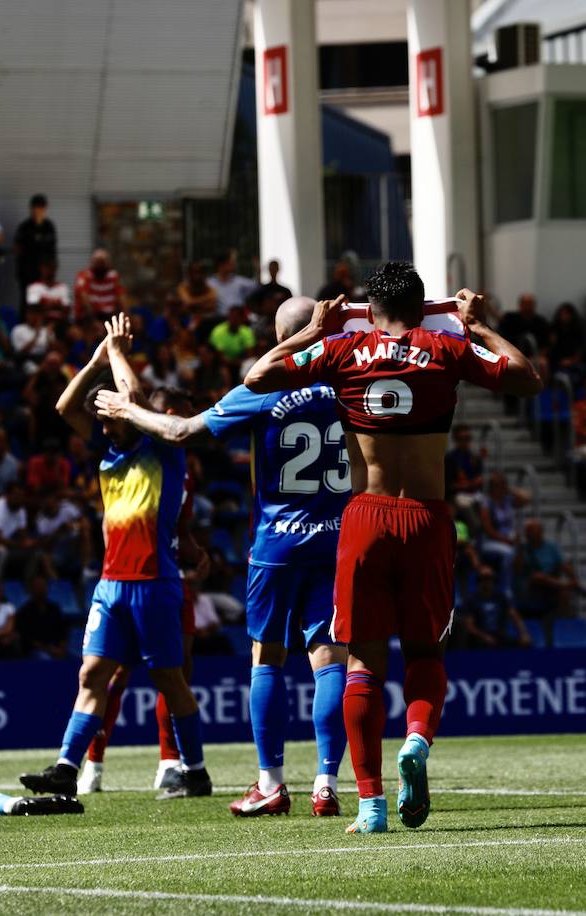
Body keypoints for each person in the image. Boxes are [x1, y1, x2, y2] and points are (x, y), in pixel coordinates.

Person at [243, 262, 541, 834]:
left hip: (364, 520)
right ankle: (417, 742)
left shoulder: (343, 350)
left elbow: (259, 377)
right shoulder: (445, 348)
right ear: (424, 303)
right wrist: (476, 327)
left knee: (361, 665)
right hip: (427, 518)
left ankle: (372, 806)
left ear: (368, 308)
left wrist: (313, 332)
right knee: (427, 655)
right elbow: (527, 376)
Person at [95, 298, 354, 818]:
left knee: (268, 660)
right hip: (336, 541)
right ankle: (327, 783)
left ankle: (271, 784)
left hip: (277, 546)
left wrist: (127, 410)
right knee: (329, 663)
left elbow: (180, 432)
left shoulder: (261, 392)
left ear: (276, 338)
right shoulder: (351, 388)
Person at [20, 316, 215, 801]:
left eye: (112, 419)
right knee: (92, 675)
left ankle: (195, 769)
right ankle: (68, 767)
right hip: (111, 585)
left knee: (170, 681)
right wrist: (95, 358)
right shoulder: (110, 453)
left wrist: (117, 353)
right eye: (103, 421)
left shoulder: (164, 449)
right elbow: (65, 405)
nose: (105, 428)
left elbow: (135, 401)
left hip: (154, 583)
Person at [514, 518, 582, 618]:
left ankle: (563, 625)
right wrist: (520, 550)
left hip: (550, 586)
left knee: (563, 593)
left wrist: (574, 579)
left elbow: (564, 565)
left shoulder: (552, 547)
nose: (529, 534)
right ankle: (565, 585)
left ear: (541, 532)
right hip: (529, 587)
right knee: (538, 577)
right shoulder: (522, 549)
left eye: (533, 531)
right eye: (528, 531)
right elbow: (517, 570)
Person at [457, 567, 529, 649]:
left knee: (525, 645)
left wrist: (523, 634)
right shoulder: (471, 600)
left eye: (490, 579)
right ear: (479, 581)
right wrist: (485, 637)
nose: (487, 582)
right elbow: (470, 626)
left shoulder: (501, 598)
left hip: (499, 637)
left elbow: (515, 616)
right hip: (479, 639)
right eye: (484, 579)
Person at [16, 572, 68, 660]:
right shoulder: (25, 611)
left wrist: (61, 648)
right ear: (31, 589)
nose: (41, 589)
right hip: (35, 651)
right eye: (38, 586)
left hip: (55, 648)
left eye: (43, 586)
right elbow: (26, 639)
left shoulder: (54, 609)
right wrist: (49, 649)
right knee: (45, 658)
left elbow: (62, 632)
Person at [13, 194, 57, 296]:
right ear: (31, 208)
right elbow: (17, 248)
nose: (38, 210)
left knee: (45, 299)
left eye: (41, 208)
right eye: (35, 207)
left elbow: (52, 249)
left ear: (45, 209)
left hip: (45, 271)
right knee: (28, 301)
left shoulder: (49, 226)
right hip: (27, 271)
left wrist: (52, 269)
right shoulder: (24, 227)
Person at [73, 248, 125, 323]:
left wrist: (125, 317)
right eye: (98, 262)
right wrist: (95, 321)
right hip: (89, 316)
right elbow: (84, 301)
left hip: (110, 315)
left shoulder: (113, 276)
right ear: (92, 262)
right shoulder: (84, 276)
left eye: (102, 262)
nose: (100, 265)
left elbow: (122, 298)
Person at [207, 249, 258, 315]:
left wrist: (257, 270)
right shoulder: (209, 284)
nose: (234, 263)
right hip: (218, 321)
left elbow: (257, 287)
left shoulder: (240, 282)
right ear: (222, 264)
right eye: (231, 261)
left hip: (239, 322)